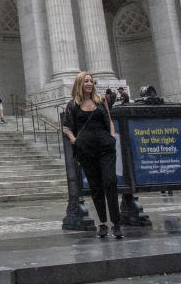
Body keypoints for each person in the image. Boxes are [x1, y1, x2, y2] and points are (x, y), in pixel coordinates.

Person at [62, 71, 123, 239]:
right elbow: (66, 127)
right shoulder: (72, 104)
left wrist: (111, 137)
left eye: (91, 81)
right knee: (96, 187)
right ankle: (103, 223)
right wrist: (75, 140)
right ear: (79, 84)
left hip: (105, 147)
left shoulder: (100, 101)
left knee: (110, 182)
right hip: (86, 150)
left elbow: (109, 120)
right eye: (86, 81)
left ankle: (116, 223)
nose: (89, 83)